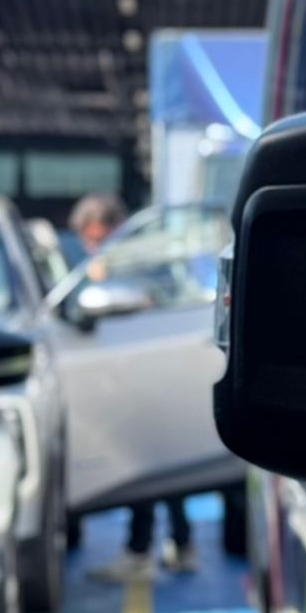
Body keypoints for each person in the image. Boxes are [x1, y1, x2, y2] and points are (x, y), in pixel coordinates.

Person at [68, 194, 198, 583]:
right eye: (88, 241)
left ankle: (141, 551)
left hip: (148, 377)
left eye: (98, 237)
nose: (93, 247)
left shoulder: (137, 261)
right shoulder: (121, 261)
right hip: (146, 377)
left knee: (144, 465)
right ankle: (181, 544)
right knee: (165, 467)